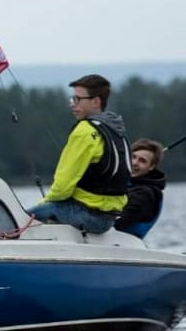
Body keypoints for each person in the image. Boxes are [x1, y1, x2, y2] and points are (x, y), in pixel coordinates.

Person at [27, 73, 129, 233]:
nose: (72, 104)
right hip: (108, 219)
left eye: (78, 99)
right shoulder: (115, 128)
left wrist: (44, 204)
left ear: (96, 101)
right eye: (72, 99)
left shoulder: (84, 131)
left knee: (18, 219)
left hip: (86, 214)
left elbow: (62, 186)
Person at [115, 138, 166, 238]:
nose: (135, 163)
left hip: (123, 240)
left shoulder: (145, 193)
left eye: (142, 161)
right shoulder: (125, 183)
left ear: (151, 167)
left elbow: (121, 221)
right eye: (133, 157)